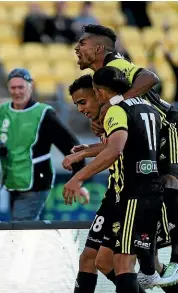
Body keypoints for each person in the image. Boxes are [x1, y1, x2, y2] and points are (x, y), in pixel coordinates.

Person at [74, 24, 178, 281]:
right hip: (148, 133)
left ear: (99, 49)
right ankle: (152, 268)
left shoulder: (116, 63)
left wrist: (115, 102)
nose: (77, 47)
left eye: (83, 44)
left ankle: (175, 260)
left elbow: (151, 78)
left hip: (167, 125)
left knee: (168, 181)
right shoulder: (104, 79)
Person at [63, 66, 165, 293]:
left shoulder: (116, 111)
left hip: (131, 195)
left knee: (123, 263)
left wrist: (78, 177)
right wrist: (86, 151)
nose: (80, 109)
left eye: (83, 102)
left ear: (98, 92)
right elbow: (122, 143)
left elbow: (115, 149)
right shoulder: (142, 107)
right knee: (95, 259)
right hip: (120, 195)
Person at [0, 68, 88, 221]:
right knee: (25, 228)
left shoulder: (43, 113)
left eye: (21, 87)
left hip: (37, 182)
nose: (17, 91)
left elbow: (71, 146)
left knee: (20, 228)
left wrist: (78, 179)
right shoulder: (2, 111)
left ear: (30, 87)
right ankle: (46, 238)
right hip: (12, 180)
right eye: (13, 87)